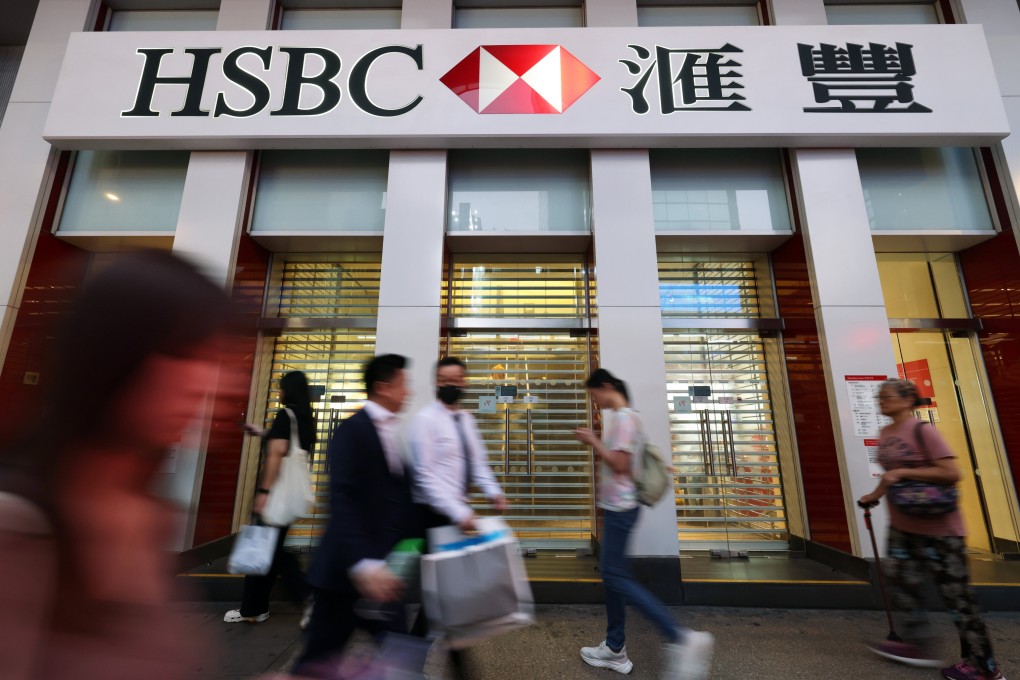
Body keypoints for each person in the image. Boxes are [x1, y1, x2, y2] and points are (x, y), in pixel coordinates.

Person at [0, 250, 235, 680]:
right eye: (180, 353)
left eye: (213, 357)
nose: (208, 382)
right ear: (109, 356)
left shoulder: (146, 517)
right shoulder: (16, 529)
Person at [859, 379, 1005, 680]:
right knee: (903, 583)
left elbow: (952, 472)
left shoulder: (923, 431)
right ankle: (916, 644)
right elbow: (891, 477)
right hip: (903, 527)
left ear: (907, 398)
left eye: (887, 396)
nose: (880, 401)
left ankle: (984, 666)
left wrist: (904, 471)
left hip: (941, 531)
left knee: (957, 597)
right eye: (879, 396)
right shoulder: (886, 433)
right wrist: (874, 496)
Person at [574, 368, 714, 680]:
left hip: (622, 509)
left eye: (594, 395)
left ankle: (681, 637)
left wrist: (593, 441)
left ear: (607, 386)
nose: (595, 402)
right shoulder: (626, 417)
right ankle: (614, 648)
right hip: (618, 509)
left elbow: (620, 464)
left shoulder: (623, 418)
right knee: (613, 578)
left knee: (616, 576)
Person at [292, 353, 423, 678]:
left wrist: (406, 552)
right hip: (344, 575)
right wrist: (366, 565)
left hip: (380, 577)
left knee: (401, 655)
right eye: (403, 384)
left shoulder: (390, 433)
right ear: (383, 387)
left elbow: (399, 502)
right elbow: (342, 501)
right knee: (317, 661)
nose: (408, 392)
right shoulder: (353, 431)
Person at [406, 355, 508, 678]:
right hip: (432, 517)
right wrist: (460, 512)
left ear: (464, 382)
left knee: (444, 597)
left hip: (455, 517)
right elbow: (425, 477)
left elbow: (478, 463)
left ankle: (405, 665)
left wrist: (493, 491)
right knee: (447, 597)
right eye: (445, 380)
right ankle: (423, 666)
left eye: (456, 380)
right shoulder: (425, 421)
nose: (451, 385)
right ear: (436, 382)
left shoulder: (466, 419)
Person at [224, 370, 315, 625]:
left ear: (289, 390)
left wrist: (263, 492)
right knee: (271, 550)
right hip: (289, 497)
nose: (278, 392)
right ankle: (256, 608)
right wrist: (264, 433)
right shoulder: (304, 418)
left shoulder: (284, 415)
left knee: (266, 550)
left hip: (275, 494)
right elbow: (288, 445)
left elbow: (277, 453)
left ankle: (307, 597)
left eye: (280, 387)